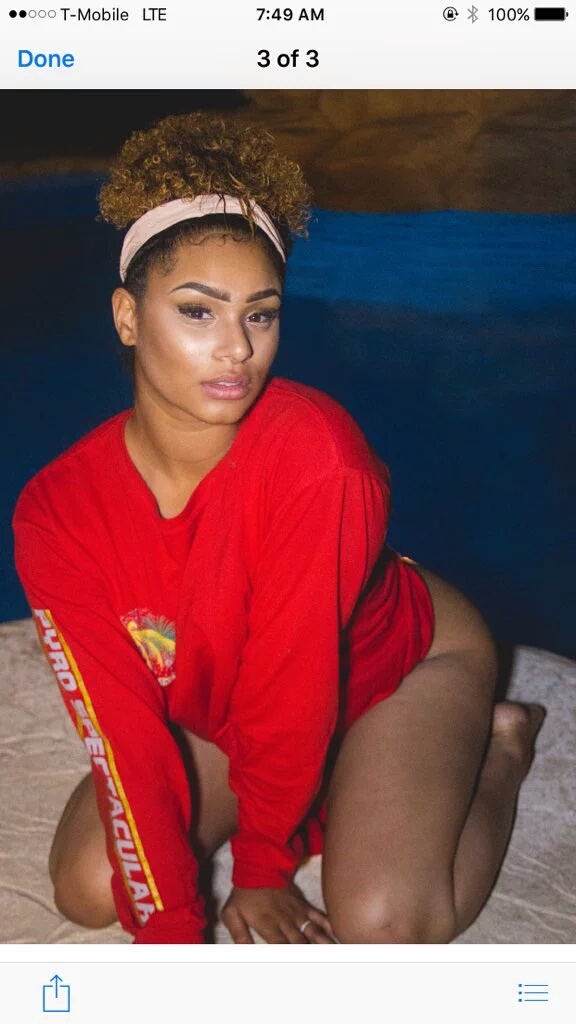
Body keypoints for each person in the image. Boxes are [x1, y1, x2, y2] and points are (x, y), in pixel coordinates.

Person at [12, 113, 544, 945]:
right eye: (198, 311)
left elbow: (292, 694)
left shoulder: (318, 460)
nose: (236, 349)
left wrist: (263, 866)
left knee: (382, 924)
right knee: (90, 889)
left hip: (394, 669)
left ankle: (501, 752)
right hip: (233, 707)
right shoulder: (59, 513)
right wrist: (170, 932)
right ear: (127, 316)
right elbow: (121, 735)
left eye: (260, 315)